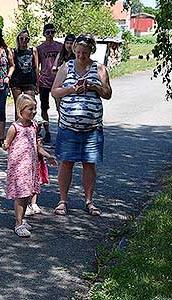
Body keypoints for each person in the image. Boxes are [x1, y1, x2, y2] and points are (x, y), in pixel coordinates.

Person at [51, 33, 112, 217]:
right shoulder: (66, 67)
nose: (80, 56)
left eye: (84, 53)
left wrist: (94, 87)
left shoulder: (99, 68)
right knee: (66, 163)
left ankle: (89, 201)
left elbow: (108, 93)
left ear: (91, 51)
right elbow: (55, 92)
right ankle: (62, 201)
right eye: (78, 52)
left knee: (89, 164)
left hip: (92, 129)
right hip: (68, 126)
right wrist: (71, 89)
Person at [2, 94, 57, 237]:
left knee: (27, 194)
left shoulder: (34, 126)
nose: (33, 112)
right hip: (19, 167)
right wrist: (5, 144)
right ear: (21, 109)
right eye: (30, 109)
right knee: (21, 195)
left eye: (35, 109)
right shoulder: (15, 127)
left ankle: (22, 219)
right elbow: (6, 144)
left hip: (31, 166)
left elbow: (37, 146)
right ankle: (18, 224)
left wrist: (48, 155)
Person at [37, 23, 62, 143]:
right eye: (48, 32)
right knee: (44, 108)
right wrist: (37, 82)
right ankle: (47, 132)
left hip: (58, 81)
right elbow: (37, 66)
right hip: (44, 82)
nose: (50, 35)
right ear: (44, 33)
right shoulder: (40, 48)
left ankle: (62, 131)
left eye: (52, 32)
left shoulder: (60, 47)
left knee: (60, 108)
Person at [10, 29, 39, 119]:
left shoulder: (32, 50)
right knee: (18, 107)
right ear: (18, 39)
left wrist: (37, 83)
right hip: (17, 82)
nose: (23, 41)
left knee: (31, 105)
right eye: (21, 38)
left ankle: (30, 129)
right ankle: (18, 129)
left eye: (26, 39)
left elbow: (36, 68)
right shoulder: (14, 51)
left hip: (30, 81)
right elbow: (11, 66)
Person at [25, 116, 49, 216]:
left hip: (37, 163)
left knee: (36, 183)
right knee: (26, 184)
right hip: (27, 164)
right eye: (38, 125)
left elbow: (40, 149)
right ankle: (25, 205)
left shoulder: (38, 137)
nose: (40, 127)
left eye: (41, 125)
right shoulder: (26, 135)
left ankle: (34, 203)